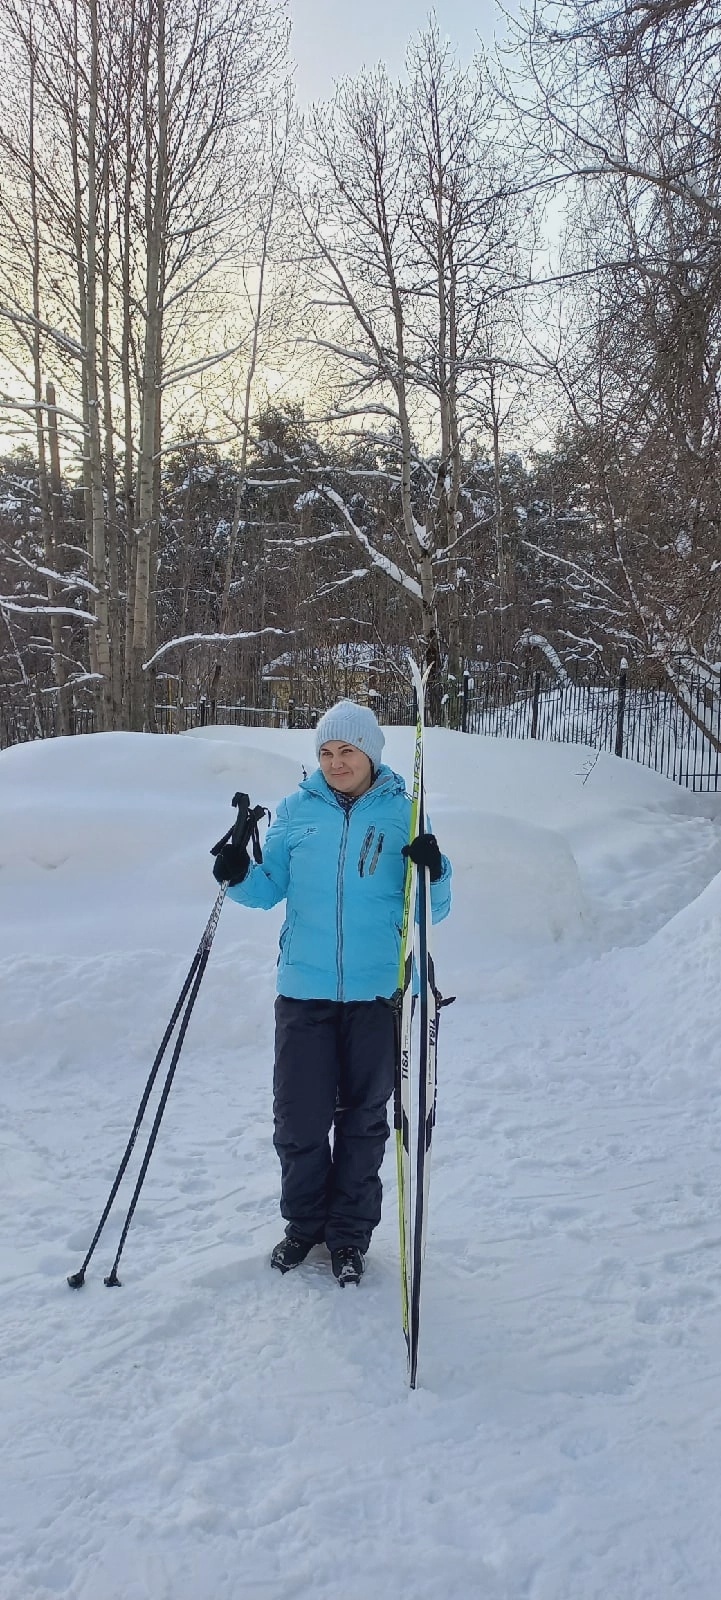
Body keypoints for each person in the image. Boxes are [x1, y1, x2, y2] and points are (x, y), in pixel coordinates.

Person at [212, 699, 452, 1287]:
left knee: (364, 1121)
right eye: (326, 752)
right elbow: (268, 891)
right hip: (304, 990)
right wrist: (237, 873)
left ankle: (348, 1236)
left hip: (377, 996)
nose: (336, 762)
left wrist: (435, 868)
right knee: (298, 1120)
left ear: (370, 754)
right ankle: (303, 1227)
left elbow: (432, 911)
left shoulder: (405, 812)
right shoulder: (296, 812)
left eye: (347, 751)